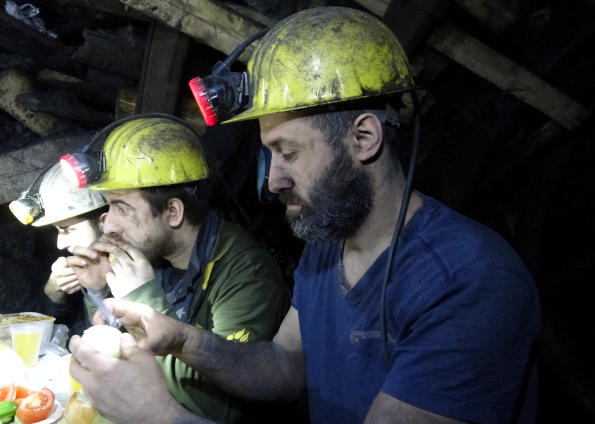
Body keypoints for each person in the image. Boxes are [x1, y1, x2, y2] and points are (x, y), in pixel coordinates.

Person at [69, 8, 540, 424]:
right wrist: (184, 340)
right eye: (268, 157)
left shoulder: (468, 281)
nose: (273, 181)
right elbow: (284, 366)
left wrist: (158, 415)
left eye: (288, 152)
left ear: (363, 139)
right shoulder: (326, 248)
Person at [63, 116, 290, 423]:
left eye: (122, 208)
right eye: (108, 207)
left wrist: (143, 299)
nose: (109, 225)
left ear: (172, 212)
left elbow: (217, 408)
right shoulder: (155, 255)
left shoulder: (248, 274)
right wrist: (99, 289)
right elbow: (113, 345)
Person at [10, 163, 107, 332]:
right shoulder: (87, 264)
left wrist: (100, 291)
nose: (59, 244)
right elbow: (58, 330)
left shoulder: (145, 272)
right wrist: (54, 291)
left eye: (67, 230)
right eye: (58, 230)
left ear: (104, 222)